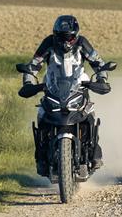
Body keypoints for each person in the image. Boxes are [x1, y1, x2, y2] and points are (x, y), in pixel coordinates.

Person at [19, 15, 109, 175]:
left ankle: (94, 153)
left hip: (78, 87)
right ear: (56, 35)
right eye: (63, 37)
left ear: (76, 35)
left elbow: (98, 63)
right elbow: (33, 65)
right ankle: (41, 157)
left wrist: (101, 78)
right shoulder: (48, 43)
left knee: (89, 113)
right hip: (53, 88)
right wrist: (28, 82)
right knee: (41, 115)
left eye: (70, 37)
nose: (67, 41)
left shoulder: (82, 43)